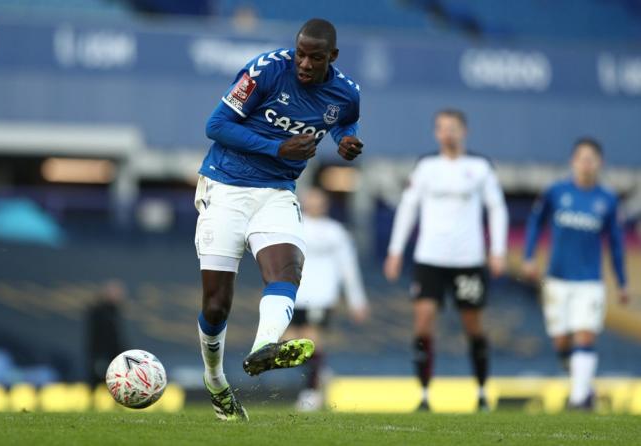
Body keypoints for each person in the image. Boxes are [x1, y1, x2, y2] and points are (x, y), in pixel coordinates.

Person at [194, 18, 363, 421]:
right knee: (216, 306)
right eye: (301, 54)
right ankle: (215, 380)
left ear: (332, 58)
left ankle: (262, 348)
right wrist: (278, 146)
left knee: (287, 268)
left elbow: (341, 118)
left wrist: (345, 140)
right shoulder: (265, 70)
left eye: (315, 58)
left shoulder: (348, 92)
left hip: (276, 193)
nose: (304, 63)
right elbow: (215, 125)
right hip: (225, 187)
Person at [383, 109, 508, 411]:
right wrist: (395, 250)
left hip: (468, 259)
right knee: (423, 321)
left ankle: (481, 390)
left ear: (464, 131)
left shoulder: (479, 167)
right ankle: (424, 394)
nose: (447, 133)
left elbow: (497, 208)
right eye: (441, 128)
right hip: (431, 258)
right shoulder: (426, 167)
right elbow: (408, 208)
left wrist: (498, 250)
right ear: (436, 133)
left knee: (473, 325)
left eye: (453, 127)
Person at [522, 138, 628, 409]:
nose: (586, 163)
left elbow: (616, 243)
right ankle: (584, 388)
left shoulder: (606, 199)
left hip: (589, 281)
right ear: (573, 161)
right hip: (557, 279)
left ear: (599, 163)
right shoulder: (556, 192)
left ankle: (579, 400)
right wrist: (529, 256)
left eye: (591, 158)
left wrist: (622, 282)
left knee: (585, 334)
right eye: (582, 158)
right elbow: (535, 222)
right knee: (561, 341)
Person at [283, 188, 369, 411]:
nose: (315, 204)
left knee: (311, 340)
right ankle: (321, 372)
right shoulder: (292, 228)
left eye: (319, 200)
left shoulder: (335, 231)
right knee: (287, 343)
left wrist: (356, 300)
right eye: (311, 199)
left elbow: (348, 267)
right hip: (295, 295)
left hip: (322, 296)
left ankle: (310, 393)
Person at [86, 280, 127, 386]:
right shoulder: (98, 312)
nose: (119, 295)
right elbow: (98, 338)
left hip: (114, 355)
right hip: (102, 356)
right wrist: (99, 357)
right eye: (115, 292)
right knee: (100, 381)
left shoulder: (115, 312)